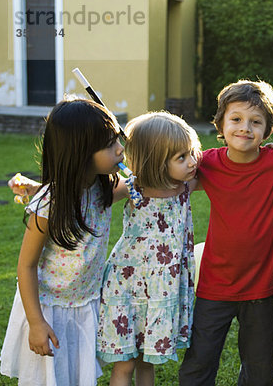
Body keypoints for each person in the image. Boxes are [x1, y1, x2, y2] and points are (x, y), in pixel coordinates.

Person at [0, 98, 127, 385]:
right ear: (80, 153)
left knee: (77, 376)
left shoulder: (101, 186)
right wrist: (36, 322)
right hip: (49, 310)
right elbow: (26, 265)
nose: (120, 149)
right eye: (110, 144)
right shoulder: (50, 205)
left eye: (117, 138)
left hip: (85, 304)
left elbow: (142, 180)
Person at [178, 79, 273, 386]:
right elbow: (173, 178)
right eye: (236, 119)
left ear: (267, 130)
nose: (245, 128)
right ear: (220, 124)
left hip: (262, 285)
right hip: (214, 282)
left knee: (260, 368)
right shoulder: (207, 163)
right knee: (199, 361)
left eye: (256, 122)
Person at [96, 112, 201, 386]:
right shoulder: (133, 187)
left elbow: (225, 166)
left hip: (162, 288)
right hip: (128, 288)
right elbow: (88, 195)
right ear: (155, 161)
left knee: (147, 361)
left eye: (191, 152)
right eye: (181, 157)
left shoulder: (185, 185)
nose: (192, 162)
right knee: (125, 364)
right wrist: (39, 188)